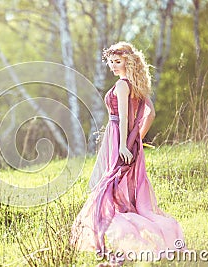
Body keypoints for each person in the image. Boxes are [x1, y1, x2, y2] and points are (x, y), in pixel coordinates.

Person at [70, 42, 184, 266]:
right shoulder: (137, 85)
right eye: (111, 62)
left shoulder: (123, 85)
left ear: (128, 61)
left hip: (118, 136)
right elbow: (151, 113)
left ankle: (113, 233)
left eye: (118, 61)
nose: (113, 66)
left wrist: (123, 144)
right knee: (121, 184)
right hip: (128, 139)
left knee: (110, 183)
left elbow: (123, 117)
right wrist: (137, 138)